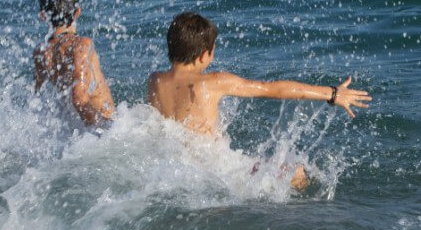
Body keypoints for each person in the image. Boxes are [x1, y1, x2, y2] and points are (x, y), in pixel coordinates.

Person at [147, 12, 372, 188]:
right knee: (295, 172)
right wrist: (332, 93)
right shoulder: (212, 82)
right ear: (204, 55)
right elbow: (272, 89)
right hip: (213, 170)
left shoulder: (155, 81)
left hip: (176, 167)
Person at [34, 0, 115, 126]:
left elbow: (37, 96)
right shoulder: (81, 46)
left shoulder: (41, 52)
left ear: (42, 16)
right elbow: (79, 99)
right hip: (99, 125)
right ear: (77, 12)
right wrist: (106, 128)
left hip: (75, 129)